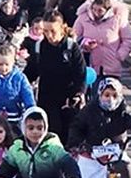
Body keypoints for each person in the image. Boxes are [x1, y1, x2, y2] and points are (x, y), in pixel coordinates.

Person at [22, 13, 87, 144]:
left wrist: (79, 93)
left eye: (53, 31)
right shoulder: (39, 47)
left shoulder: (71, 47)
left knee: (68, 137)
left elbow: (80, 74)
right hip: (47, 99)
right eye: (45, 31)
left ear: (62, 28)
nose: (49, 35)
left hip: (68, 100)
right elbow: (31, 72)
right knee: (50, 136)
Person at [0, 107, 80, 178]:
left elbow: (68, 163)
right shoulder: (17, 148)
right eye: (30, 128)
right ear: (23, 128)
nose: (35, 132)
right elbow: (8, 165)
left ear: (45, 128)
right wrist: (1, 177)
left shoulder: (53, 147)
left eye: (39, 128)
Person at [73, 0, 131, 80]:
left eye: (100, 10)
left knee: (110, 92)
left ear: (107, 9)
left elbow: (128, 39)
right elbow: (74, 37)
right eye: (94, 9)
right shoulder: (83, 18)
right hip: (90, 66)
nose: (96, 13)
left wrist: (120, 55)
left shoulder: (118, 19)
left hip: (112, 66)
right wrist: (84, 44)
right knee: (93, 92)